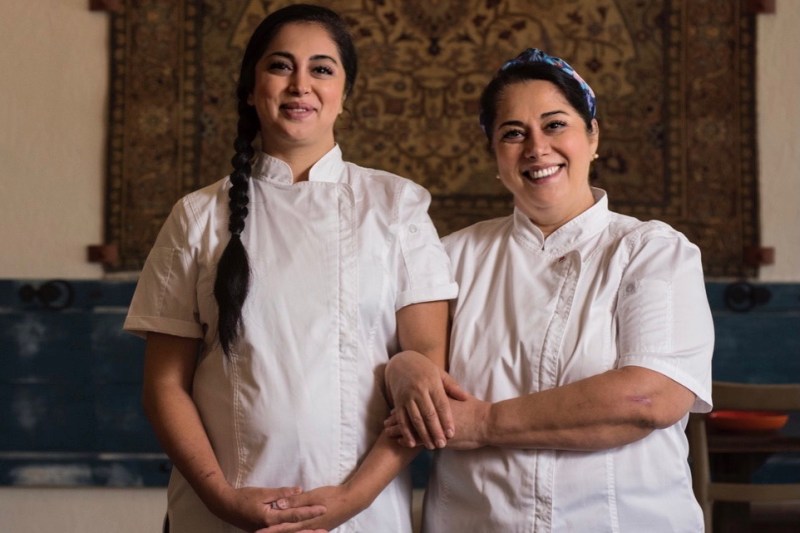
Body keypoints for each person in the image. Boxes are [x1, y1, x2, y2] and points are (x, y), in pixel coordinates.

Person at [123, 4, 457, 532]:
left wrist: (351, 498)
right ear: (251, 88)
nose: (301, 85)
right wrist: (221, 499)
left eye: (322, 69)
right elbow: (164, 387)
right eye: (281, 66)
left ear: (344, 94)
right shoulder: (196, 216)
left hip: (361, 515)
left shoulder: (398, 207)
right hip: (221, 515)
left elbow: (425, 384)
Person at [385, 48, 715, 532]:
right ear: (495, 156)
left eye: (555, 124)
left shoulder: (652, 251)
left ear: (593, 135)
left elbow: (649, 400)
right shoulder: (448, 258)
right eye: (513, 133)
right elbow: (395, 367)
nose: (537, 148)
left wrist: (484, 423)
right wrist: (401, 366)